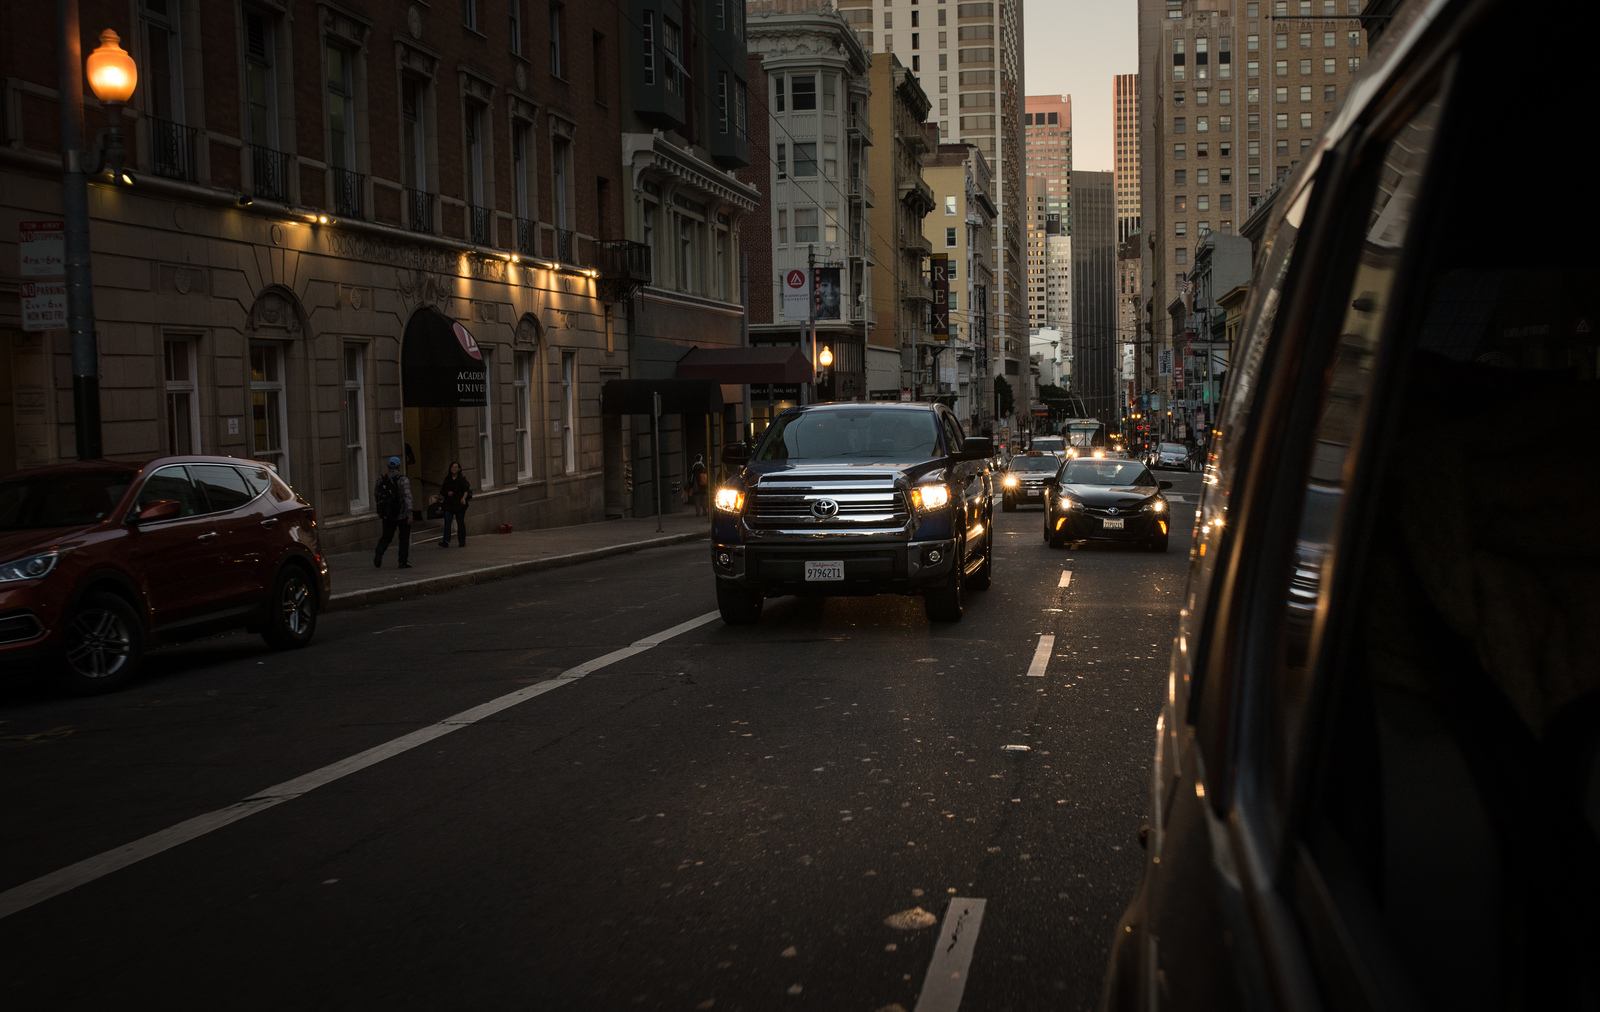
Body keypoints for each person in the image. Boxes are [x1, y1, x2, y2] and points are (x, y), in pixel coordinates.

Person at [373, 456, 413, 569]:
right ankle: (402, 561)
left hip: (388, 514)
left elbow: (376, 494)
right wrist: (410, 513)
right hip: (402, 514)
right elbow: (407, 496)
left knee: (386, 536)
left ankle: (379, 552)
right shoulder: (403, 479)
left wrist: (382, 509)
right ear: (399, 466)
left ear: (388, 466)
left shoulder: (381, 479)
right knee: (404, 538)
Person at [438, 461, 472, 547]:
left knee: (460, 522)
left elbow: (466, 490)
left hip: (459, 504)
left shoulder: (462, 479)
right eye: (452, 467)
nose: (454, 469)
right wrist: (447, 493)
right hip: (449, 504)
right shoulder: (447, 479)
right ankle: (446, 541)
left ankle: (461, 541)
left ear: (459, 469)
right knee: (447, 521)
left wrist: (463, 498)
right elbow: (442, 490)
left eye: (456, 467)